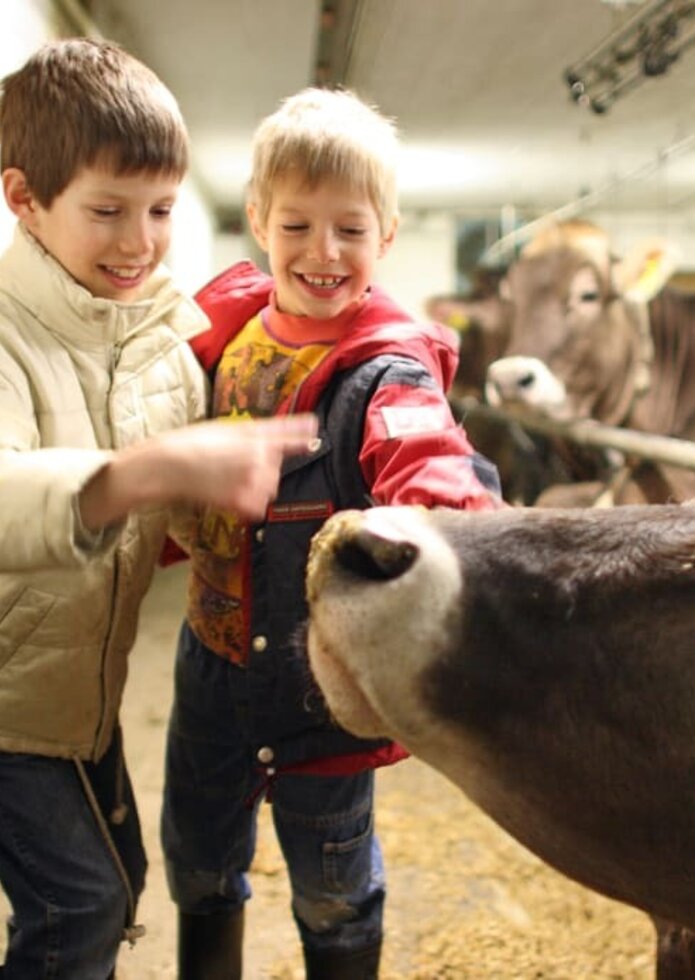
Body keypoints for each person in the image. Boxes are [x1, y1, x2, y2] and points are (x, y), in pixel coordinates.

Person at [161, 87, 503, 979]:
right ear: (259, 222)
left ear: (385, 237)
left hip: (320, 683)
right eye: (299, 225)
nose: (323, 253)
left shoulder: (384, 373)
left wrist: (454, 527)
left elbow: (422, 451)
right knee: (199, 865)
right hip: (211, 657)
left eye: (350, 229)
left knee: (332, 882)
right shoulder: (218, 339)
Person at [0, 38, 319, 980]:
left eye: (162, 210)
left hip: (74, 697)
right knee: (80, 902)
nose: (140, 242)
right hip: (7, 707)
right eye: (107, 211)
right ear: (23, 198)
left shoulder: (160, 347)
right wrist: (140, 472)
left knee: (114, 882)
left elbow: (192, 515)